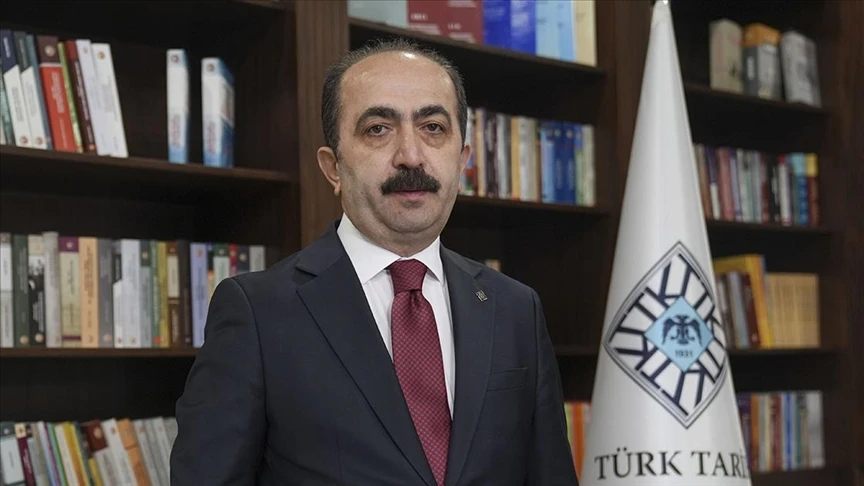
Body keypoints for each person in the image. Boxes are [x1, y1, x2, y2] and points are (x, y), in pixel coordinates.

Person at [169, 37, 579, 486]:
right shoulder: (257, 312)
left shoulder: (516, 308)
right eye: (378, 129)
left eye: (433, 127)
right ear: (333, 168)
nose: (410, 156)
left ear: (462, 159)